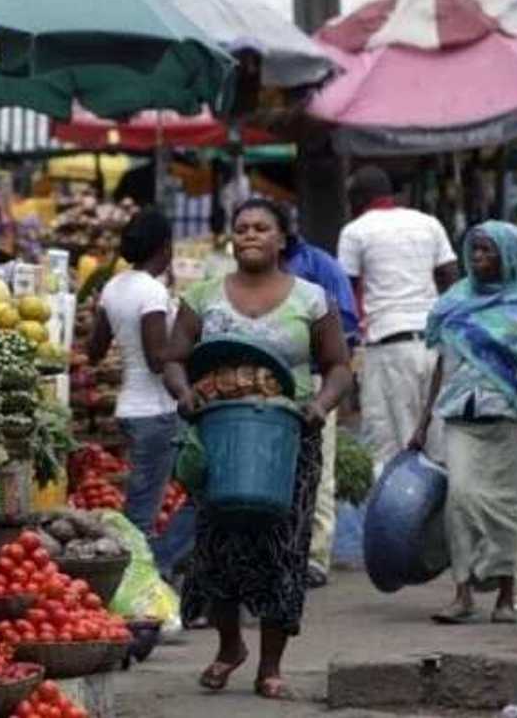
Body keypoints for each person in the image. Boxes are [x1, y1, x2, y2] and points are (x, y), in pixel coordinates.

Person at [164, 198, 354, 700]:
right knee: (215, 547)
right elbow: (174, 358)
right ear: (232, 238)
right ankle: (230, 645)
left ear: (281, 239)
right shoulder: (202, 296)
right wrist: (183, 393)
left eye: (261, 228)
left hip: (289, 440)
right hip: (220, 437)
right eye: (242, 228)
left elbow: (338, 365)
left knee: (283, 547)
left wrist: (321, 404)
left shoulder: (312, 299)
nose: (250, 235)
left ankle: (270, 665)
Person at [409, 221, 517, 624]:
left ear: (509, 256)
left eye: (488, 251)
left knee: (503, 506)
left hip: (509, 417)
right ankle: (462, 592)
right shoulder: (455, 300)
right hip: (460, 415)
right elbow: (442, 363)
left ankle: (504, 596)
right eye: (475, 250)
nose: (479, 258)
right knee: (461, 498)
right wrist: (422, 423)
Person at [339, 165, 459, 466]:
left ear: (357, 199)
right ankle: (439, 513)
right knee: (438, 445)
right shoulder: (428, 223)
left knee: (389, 449)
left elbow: (346, 294)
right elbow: (451, 278)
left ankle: (399, 513)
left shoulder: (355, 232)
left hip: (388, 348)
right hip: (435, 348)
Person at [275, 199, 360, 589]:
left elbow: (346, 324)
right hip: (265, 383)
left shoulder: (320, 264)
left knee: (318, 470)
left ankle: (315, 557)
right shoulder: (252, 273)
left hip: (314, 379)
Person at [88, 208, 178, 536]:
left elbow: (94, 351)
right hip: (155, 411)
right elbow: (157, 359)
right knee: (143, 511)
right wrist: (189, 342)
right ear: (166, 247)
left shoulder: (113, 286)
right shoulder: (152, 291)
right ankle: (137, 576)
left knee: (140, 499)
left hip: (127, 408)